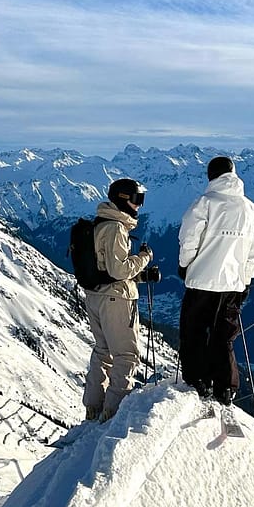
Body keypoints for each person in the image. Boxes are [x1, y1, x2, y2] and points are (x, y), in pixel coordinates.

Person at [178, 156, 254, 405]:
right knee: (224, 335)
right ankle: (226, 387)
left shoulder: (204, 204)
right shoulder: (252, 210)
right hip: (234, 284)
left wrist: (185, 266)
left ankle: (198, 380)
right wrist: (246, 279)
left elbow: (189, 239)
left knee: (194, 331)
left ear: (211, 176)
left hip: (202, 281)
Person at [83, 178, 154, 422]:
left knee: (103, 351)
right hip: (115, 299)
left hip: (95, 295)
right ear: (124, 199)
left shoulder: (100, 223)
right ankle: (113, 413)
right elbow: (118, 271)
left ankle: (93, 407)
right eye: (137, 199)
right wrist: (144, 258)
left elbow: (106, 267)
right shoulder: (115, 227)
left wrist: (139, 276)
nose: (139, 206)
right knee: (125, 356)